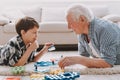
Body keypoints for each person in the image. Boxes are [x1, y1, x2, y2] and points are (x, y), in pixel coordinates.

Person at [58, 4, 120, 69]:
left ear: (82, 19)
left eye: (70, 23)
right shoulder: (81, 33)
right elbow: (83, 56)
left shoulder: (105, 29)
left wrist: (77, 60)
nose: (68, 27)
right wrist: (71, 60)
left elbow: (108, 63)